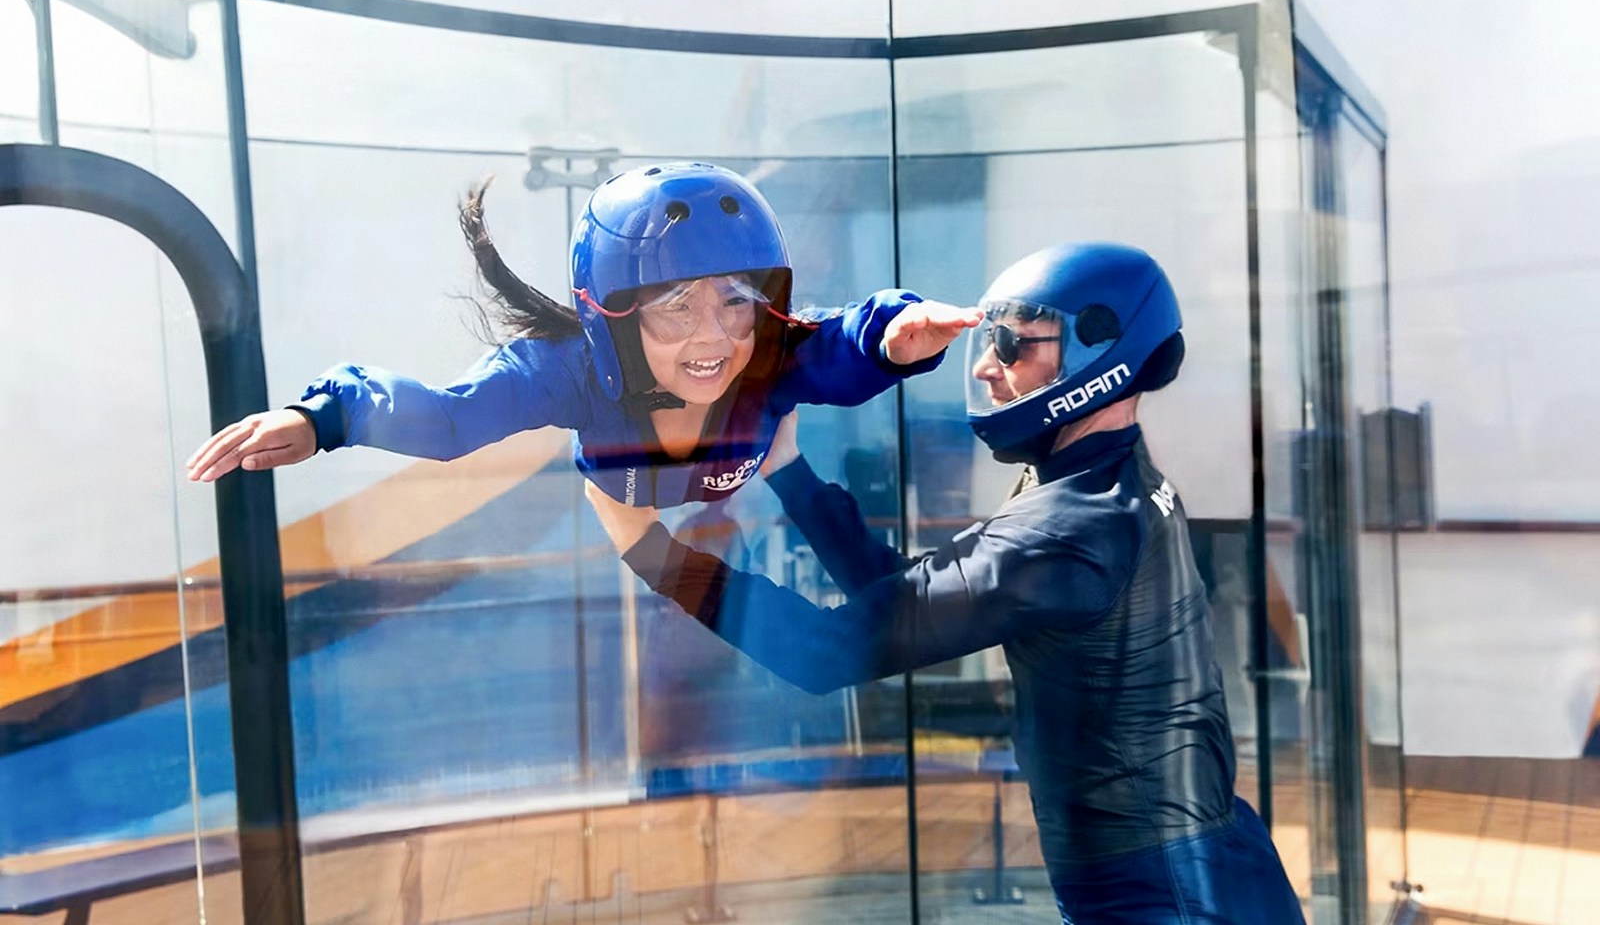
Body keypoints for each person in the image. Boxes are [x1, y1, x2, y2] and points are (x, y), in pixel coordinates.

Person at [585, 242, 1307, 923]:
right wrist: (790, 474)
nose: (988, 366)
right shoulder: (1108, 482)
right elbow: (913, 599)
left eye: (1015, 345)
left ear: (1101, 353)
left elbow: (824, 652)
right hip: (1204, 863)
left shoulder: (1066, 527)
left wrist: (654, 554)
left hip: (1165, 895)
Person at [186, 162, 980, 507]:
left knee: (790, 366)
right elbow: (450, 418)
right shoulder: (565, 372)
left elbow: (838, 342)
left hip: (726, 486)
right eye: (676, 307)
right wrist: (325, 418)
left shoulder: (767, 356)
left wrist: (893, 335)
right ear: (611, 319)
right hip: (622, 500)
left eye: (736, 302)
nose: (714, 337)